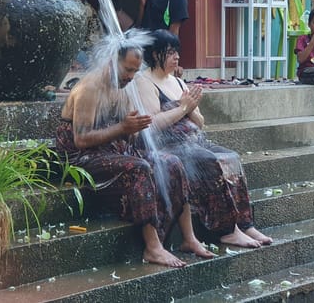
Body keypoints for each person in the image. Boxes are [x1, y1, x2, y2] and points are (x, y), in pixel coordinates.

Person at [55, 41, 214, 267]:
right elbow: (81, 140)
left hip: (114, 149)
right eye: (127, 70)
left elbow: (128, 130)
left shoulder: (123, 87)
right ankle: (153, 247)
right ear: (111, 63)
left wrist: (136, 128)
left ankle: (189, 238)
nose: (131, 77)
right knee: (140, 168)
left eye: (135, 70)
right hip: (82, 158)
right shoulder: (89, 88)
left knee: (172, 162)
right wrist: (123, 129)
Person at [137, 30, 272, 248]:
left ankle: (245, 224)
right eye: (170, 52)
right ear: (154, 54)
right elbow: (152, 124)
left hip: (193, 140)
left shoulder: (178, 82)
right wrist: (183, 108)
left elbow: (199, 122)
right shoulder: (145, 82)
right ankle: (226, 230)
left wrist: (190, 109)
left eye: (177, 52)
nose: (177, 57)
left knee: (231, 158)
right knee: (209, 161)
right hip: (169, 146)